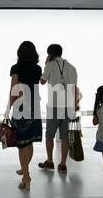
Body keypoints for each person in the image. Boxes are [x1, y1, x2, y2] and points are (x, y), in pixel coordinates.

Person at [5, 41, 43, 190]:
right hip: (34, 105)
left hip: (21, 106)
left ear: (19, 53)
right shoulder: (38, 68)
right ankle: (24, 171)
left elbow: (14, 89)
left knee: (22, 143)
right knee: (30, 141)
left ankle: (26, 177)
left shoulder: (16, 68)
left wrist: (8, 107)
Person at [38, 44, 78, 173]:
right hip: (68, 105)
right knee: (64, 136)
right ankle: (63, 164)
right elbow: (74, 88)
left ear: (50, 54)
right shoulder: (72, 67)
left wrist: (45, 64)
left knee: (49, 135)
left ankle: (50, 161)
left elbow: (42, 81)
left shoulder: (49, 65)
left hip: (54, 106)